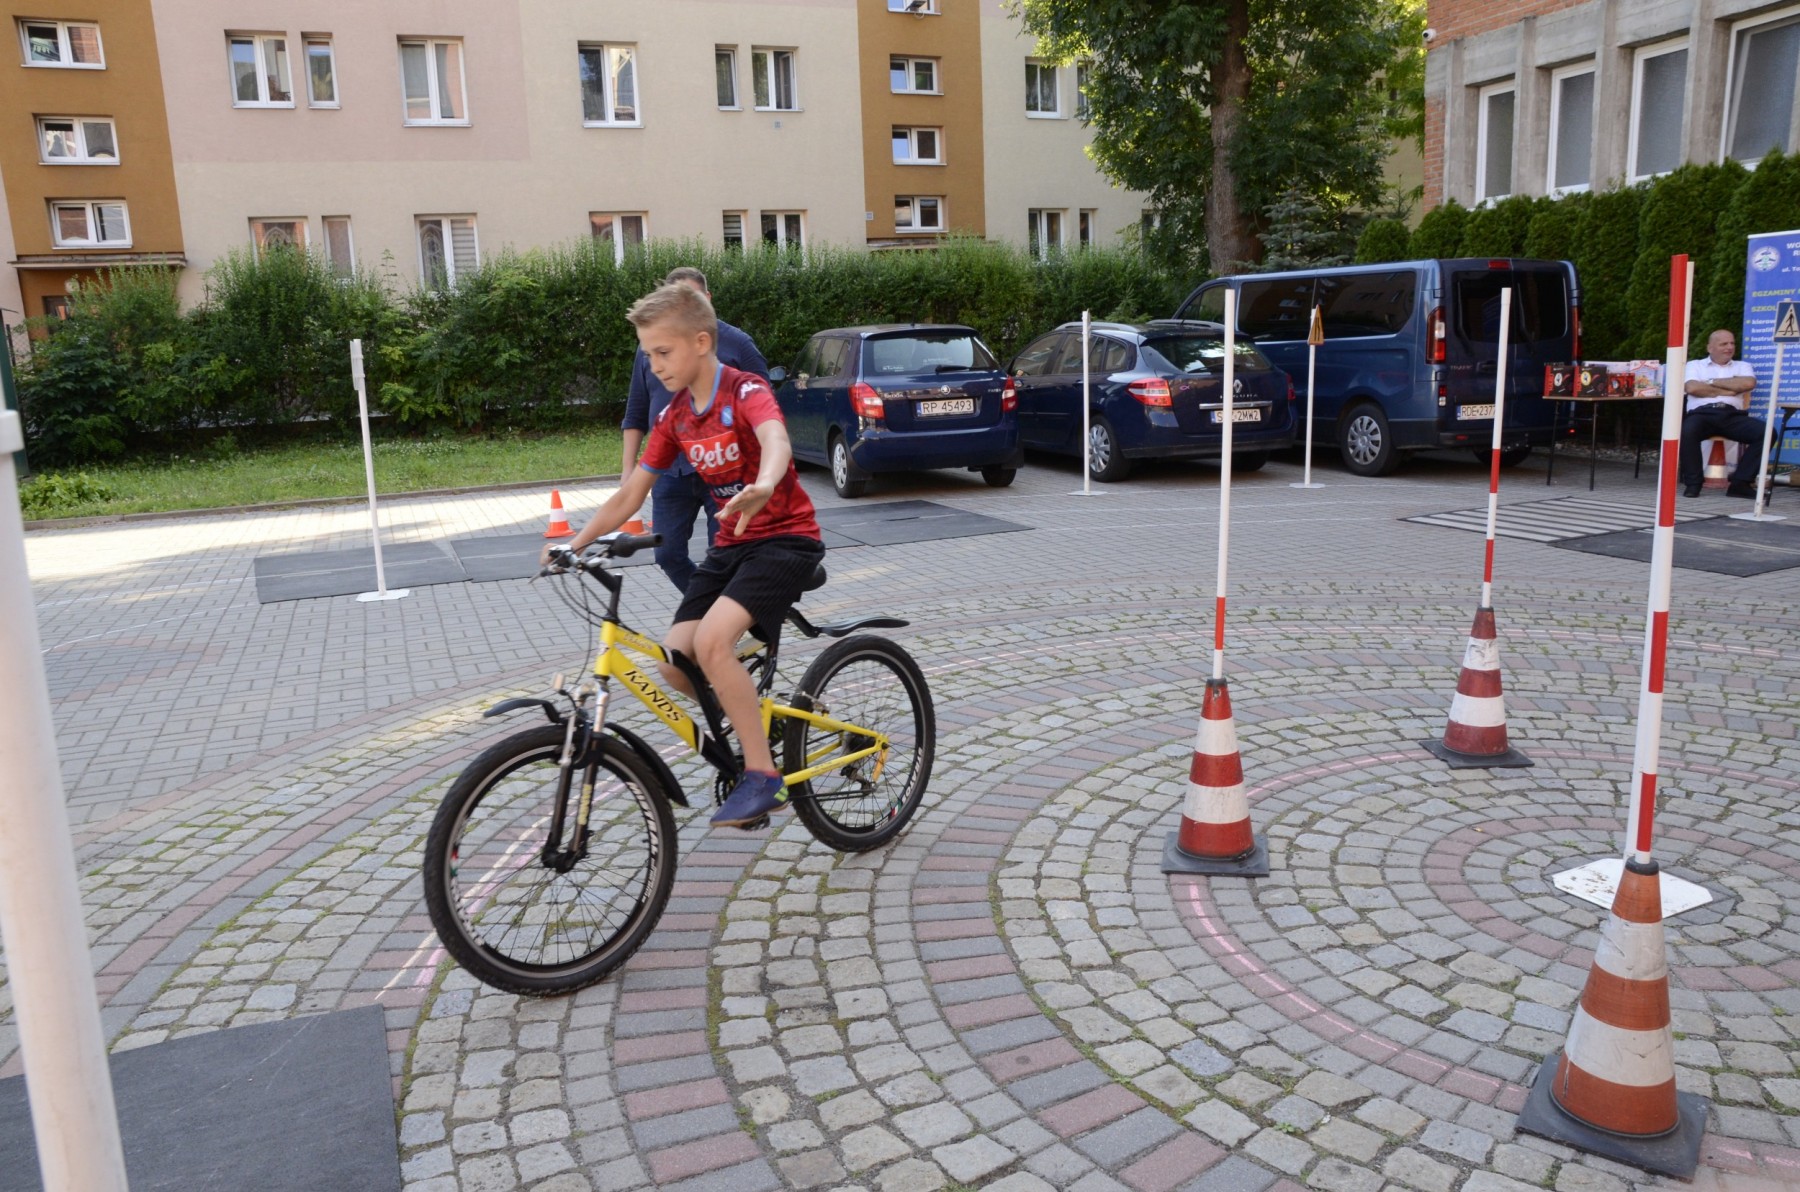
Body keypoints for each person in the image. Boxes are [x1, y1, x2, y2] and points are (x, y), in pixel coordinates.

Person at [549, 282, 824, 829]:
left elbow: (776, 439)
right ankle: (753, 722)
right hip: (731, 546)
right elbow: (631, 493)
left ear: (701, 341)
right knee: (674, 664)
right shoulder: (675, 416)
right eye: (647, 355)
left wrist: (766, 484)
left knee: (711, 642)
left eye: (662, 352)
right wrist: (571, 545)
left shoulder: (744, 390)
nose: (653, 366)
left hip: (785, 538)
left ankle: (762, 776)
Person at [621, 267, 770, 591]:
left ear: (708, 299)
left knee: (723, 557)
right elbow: (636, 411)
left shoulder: (738, 344)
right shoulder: (654, 351)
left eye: (691, 300)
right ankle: (708, 607)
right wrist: (627, 469)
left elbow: (767, 415)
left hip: (724, 471)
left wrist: (763, 474)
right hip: (671, 473)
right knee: (667, 554)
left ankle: (720, 611)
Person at [1680, 329, 1764, 498]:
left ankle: (1740, 483)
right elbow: (1692, 388)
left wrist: (1710, 382)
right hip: (1702, 414)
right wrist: (1729, 389)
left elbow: (1748, 383)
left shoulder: (1743, 366)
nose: (1729, 347)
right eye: (1724, 344)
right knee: (1687, 431)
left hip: (1731, 415)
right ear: (1710, 348)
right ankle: (1693, 484)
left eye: (1732, 343)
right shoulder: (1695, 365)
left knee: (1766, 433)